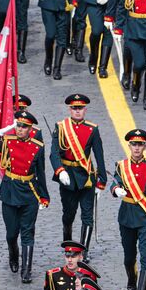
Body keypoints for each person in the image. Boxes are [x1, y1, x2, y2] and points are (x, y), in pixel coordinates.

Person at [0, 111, 50, 282]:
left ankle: (26, 270)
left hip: (29, 192)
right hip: (10, 191)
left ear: (30, 129)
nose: (20, 129)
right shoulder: (6, 142)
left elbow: (41, 173)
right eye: (18, 125)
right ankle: (13, 255)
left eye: (24, 126)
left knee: (27, 233)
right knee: (11, 234)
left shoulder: (38, 147)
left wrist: (44, 196)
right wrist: (3, 130)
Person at [110, 128, 146, 290]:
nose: (137, 148)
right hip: (127, 215)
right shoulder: (121, 165)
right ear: (129, 146)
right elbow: (115, 181)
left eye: (140, 144)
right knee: (129, 257)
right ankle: (132, 279)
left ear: (145, 146)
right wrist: (116, 190)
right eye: (134, 144)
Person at [52, 93, 107, 245]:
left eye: (80, 108)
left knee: (87, 216)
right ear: (70, 110)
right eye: (75, 108)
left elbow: (99, 156)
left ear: (85, 110)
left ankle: (84, 250)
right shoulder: (61, 127)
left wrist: (102, 181)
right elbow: (54, 153)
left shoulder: (93, 129)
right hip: (67, 176)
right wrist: (60, 170)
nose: (77, 111)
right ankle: (68, 244)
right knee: (68, 214)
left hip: (86, 176)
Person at [35, 0, 76, 78]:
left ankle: (57, 68)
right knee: (51, 34)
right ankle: (48, 59)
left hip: (62, 0)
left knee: (62, 37)